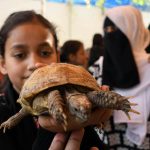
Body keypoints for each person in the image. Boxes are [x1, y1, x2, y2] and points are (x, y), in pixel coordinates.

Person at [0, 10, 110, 150]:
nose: (34, 64)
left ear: (58, 58)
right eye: (20, 54)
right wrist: (55, 127)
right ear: (3, 64)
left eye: (45, 53)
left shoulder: (77, 101)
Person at [101, 6, 150, 149]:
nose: (110, 35)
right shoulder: (97, 69)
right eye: (107, 30)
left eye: (115, 29)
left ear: (133, 29)